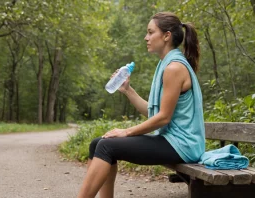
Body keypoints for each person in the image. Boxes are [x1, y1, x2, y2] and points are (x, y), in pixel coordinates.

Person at [77, 12, 205, 198]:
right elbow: (153, 113)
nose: (146, 37)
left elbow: (163, 118)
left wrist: (126, 131)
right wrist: (128, 90)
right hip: (172, 141)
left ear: (166, 36)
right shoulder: (165, 64)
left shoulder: (174, 68)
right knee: (97, 143)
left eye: (150, 32)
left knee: (106, 146)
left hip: (183, 145)